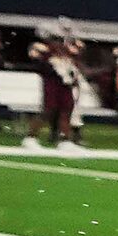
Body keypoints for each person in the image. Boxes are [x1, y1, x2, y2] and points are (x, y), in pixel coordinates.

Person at [24, 21, 84, 149]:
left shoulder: (67, 49)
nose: (59, 41)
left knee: (67, 110)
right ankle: (30, 137)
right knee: (49, 110)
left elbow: (73, 64)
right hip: (52, 81)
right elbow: (41, 64)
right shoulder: (45, 49)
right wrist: (55, 68)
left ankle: (65, 140)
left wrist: (71, 76)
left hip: (66, 82)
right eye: (57, 39)